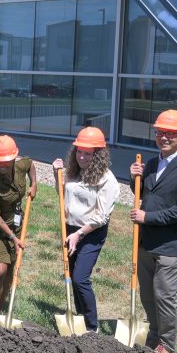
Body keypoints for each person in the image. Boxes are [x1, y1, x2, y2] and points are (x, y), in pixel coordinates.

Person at [129, 109, 177, 353]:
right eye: (160, 132)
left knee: (165, 296)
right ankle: (154, 336)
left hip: (171, 247)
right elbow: (145, 195)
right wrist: (134, 179)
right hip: (146, 244)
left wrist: (147, 217)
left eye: (171, 134)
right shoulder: (151, 164)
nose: (164, 138)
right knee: (149, 297)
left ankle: (167, 347)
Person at [51, 127, 119, 333]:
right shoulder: (74, 172)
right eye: (79, 151)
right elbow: (64, 196)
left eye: (87, 153)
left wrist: (79, 234)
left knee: (81, 277)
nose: (81, 156)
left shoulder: (107, 180)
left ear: (98, 155)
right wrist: (57, 176)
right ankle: (79, 317)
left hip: (91, 232)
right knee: (71, 275)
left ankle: (91, 327)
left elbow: (102, 216)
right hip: (70, 228)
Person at [0, 135, 36, 324]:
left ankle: (4, 308)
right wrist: (12, 237)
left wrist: (34, 184)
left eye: (6, 162)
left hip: (15, 225)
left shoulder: (20, 167)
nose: (2, 166)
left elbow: (30, 164)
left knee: (10, 271)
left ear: (13, 158)